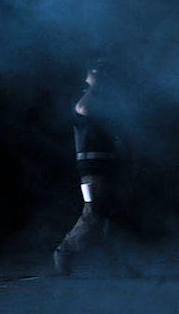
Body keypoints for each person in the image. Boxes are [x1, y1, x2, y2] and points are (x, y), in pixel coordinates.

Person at [51, 59, 125, 276]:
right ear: (88, 75)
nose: (102, 74)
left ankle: (116, 262)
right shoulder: (85, 101)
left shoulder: (105, 102)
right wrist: (96, 87)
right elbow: (85, 109)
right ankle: (64, 252)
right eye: (96, 71)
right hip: (92, 169)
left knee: (111, 214)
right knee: (93, 214)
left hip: (108, 165)